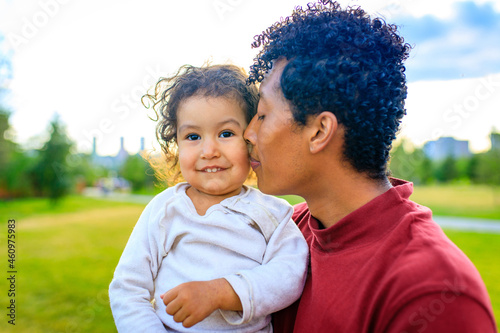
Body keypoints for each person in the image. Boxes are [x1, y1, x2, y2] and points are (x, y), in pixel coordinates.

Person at [243, 1, 498, 332]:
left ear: (319, 131)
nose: (249, 133)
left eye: (262, 115)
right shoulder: (284, 233)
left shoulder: (432, 293)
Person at [109, 64, 308, 332]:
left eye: (226, 134)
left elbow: (289, 275)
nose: (209, 150)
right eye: (193, 136)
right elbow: (128, 288)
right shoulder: (165, 210)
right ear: (176, 146)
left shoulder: (272, 213)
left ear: (250, 139)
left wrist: (221, 292)